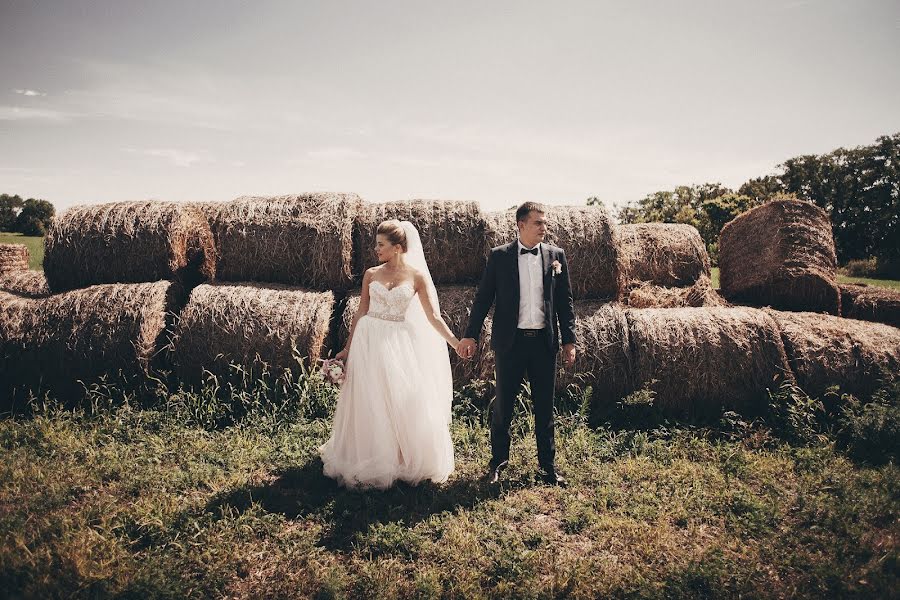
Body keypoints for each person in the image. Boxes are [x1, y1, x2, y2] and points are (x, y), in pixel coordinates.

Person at [319, 219, 459, 489]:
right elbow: (361, 312)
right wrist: (347, 348)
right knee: (370, 397)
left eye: (381, 245)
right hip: (368, 340)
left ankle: (400, 456)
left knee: (399, 398)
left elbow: (434, 317)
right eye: (376, 244)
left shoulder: (417, 277)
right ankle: (369, 454)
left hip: (398, 342)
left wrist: (455, 343)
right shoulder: (371, 274)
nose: (376, 249)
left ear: (397, 247)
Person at [457, 202, 576, 486]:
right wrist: (470, 334)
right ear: (521, 225)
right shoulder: (500, 257)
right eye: (538, 223)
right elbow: (483, 298)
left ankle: (547, 467)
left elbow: (565, 302)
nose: (544, 228)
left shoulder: (555, 256)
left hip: (544, 344)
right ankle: (497, 463)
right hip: (511, 343)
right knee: (503, 407)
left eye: (545, 223)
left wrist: (569, 340)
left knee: (545, 408)